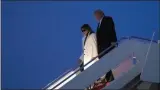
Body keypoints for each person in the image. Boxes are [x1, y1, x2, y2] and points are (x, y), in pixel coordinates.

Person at [93, 9, 117, 87]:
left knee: (108, 62)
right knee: (105, 63)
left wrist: (113, 41)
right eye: (95, 16)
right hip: (101, 49)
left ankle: (110, 78)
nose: (95, 17)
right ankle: (109, 78)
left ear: (101, 14)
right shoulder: (98, 24)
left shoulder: (108, 19)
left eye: (96, 15)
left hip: (107, 45)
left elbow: (111, 30)